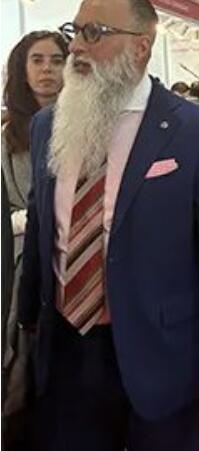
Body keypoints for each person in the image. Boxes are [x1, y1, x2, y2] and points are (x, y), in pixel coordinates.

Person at [18, 0, 199, 450]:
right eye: (75, 31)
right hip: (66, 357)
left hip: (164, 358)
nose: (76, 47)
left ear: (141, 46)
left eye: (94, 33)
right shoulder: (48, 125)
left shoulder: (195, 132)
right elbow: (43, 234)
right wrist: (26, 332)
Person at [2, 31, 68, 375]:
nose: (47, 69)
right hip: (21, 265)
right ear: (22, 69)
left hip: (76, 259)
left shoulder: (84, 127)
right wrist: (31, 219)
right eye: (37, 60)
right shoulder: (8, 138)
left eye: (57, 61)